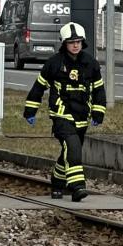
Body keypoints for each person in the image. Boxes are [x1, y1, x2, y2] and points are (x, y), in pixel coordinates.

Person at [23, 22, 106, 202]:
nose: (75, 45)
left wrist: (99, 112)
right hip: (61, 114)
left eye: (78, 41)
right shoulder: (54, 63)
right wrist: (30, 110)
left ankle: (57, 181)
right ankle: (77, 186)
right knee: (73, 147)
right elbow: (39, 87)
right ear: (64, 43)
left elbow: (99, 90)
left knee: (68, 151)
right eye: (71, 42)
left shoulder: (91, 64)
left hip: (82, 116)